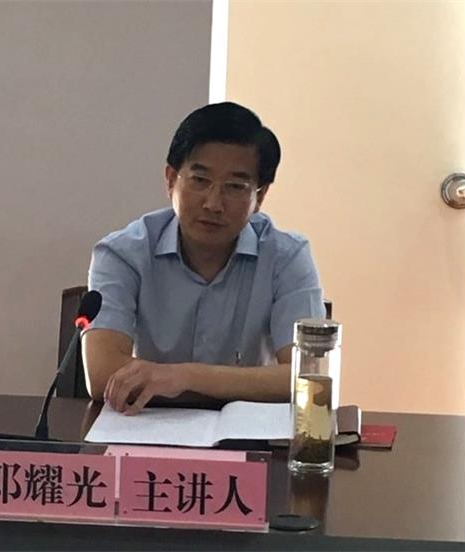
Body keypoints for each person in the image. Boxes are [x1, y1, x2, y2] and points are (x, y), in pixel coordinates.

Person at [82, 102, 325, 415]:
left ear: (260, 196)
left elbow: (309, 378)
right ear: (171, 179)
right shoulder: (123, 254)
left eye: (235, 187)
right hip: (146, 427)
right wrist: (233, 385)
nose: (213, 203)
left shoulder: (287, 257)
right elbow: (102, 374)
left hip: (249, 433)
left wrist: (184, 377)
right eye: (199, 180)